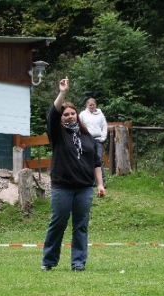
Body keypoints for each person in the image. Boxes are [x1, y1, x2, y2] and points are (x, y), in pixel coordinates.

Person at [41, 78, 106, 272]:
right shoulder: (58, 134)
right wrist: (63, 93)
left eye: (72, 113)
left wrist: (100, 185)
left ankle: (78, 262)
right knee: (58, 224)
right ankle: (48, 261)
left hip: (84, 188)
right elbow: (52, 114)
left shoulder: (87, 137)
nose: (69, 116)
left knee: (81, 226)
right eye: (66, 114)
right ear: (61, 118)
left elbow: (96, 162)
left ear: (77, 115)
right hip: (63, 187)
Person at [79, 97, 108, 187]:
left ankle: (101, 182)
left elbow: (104, 126)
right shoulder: (83, 114)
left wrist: (103, 137)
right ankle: (89, 180)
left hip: (98, 139)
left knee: (98, 159)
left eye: (93, 104)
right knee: (87, 159)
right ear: (87, 105)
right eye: (90, 104)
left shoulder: (100, 114)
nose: (91, 106)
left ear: (96, 105)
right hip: (87, 139)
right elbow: (79, 125)